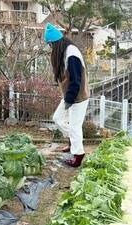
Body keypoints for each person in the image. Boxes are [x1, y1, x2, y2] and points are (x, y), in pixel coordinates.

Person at [45, 23, 90, 168]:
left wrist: (69, 100)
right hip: (70, 96)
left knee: (75, 126)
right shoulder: (65, 51)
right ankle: (72, 141)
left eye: (51, 45)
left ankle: (78, 155)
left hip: (78, 96)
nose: (50, 48)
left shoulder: (72, 54)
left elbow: (76, 80)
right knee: (57, 118)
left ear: (56, 43)